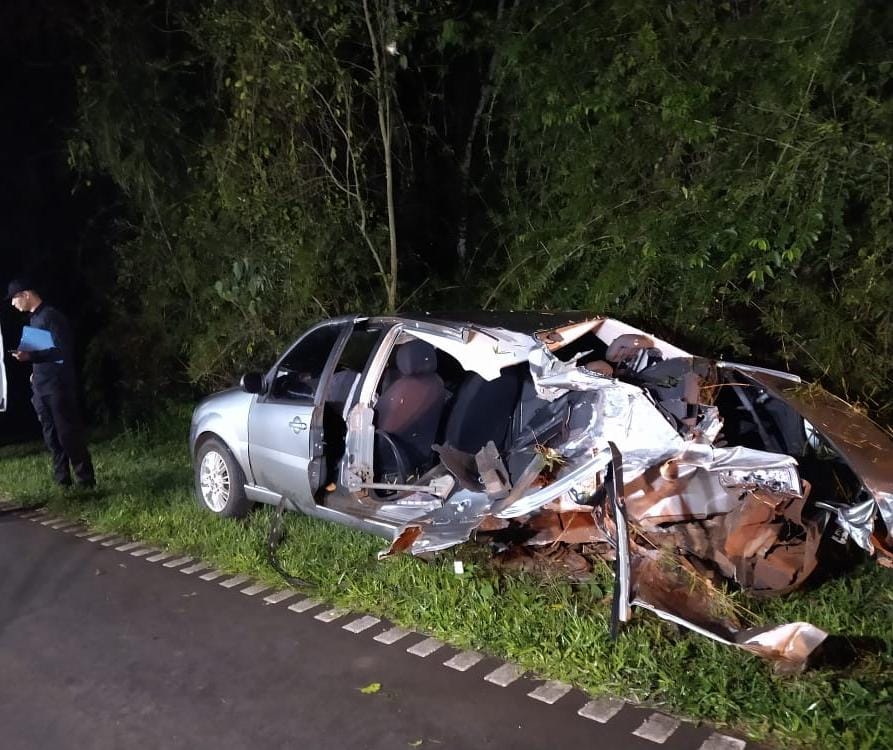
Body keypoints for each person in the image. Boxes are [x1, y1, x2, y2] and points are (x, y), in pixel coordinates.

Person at [6, 277, 95, 488]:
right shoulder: (33, 320)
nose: (12, 304)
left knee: (68, 434)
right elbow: (40, 354)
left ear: (26, 294)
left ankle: (85, 480)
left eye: (14, 298)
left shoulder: (52, 317)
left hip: (58, 387)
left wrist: (30, 357)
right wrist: (33, 371)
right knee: (51, 438)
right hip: (41, 388)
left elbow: (61, 352)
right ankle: (62, 481)